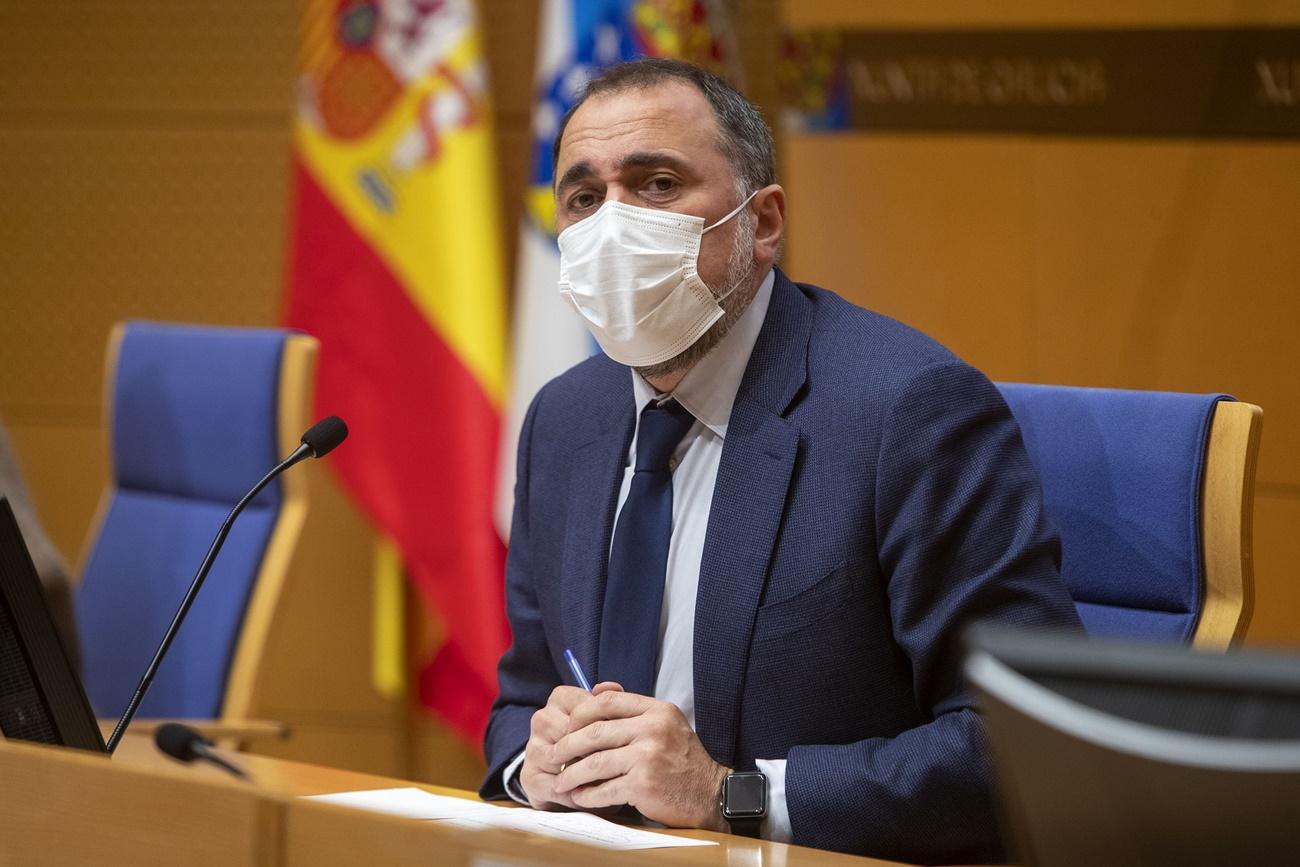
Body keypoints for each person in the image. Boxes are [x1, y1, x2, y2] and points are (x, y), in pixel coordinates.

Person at [480, 58, 1082, 864]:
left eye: (657, 184)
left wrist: (730, 793)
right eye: (584, 198)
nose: (612, 226)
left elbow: (1020, 748)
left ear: (760, 224)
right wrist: (537, 764)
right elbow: (521, 698)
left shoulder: (908, 410)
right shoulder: (565, 417)